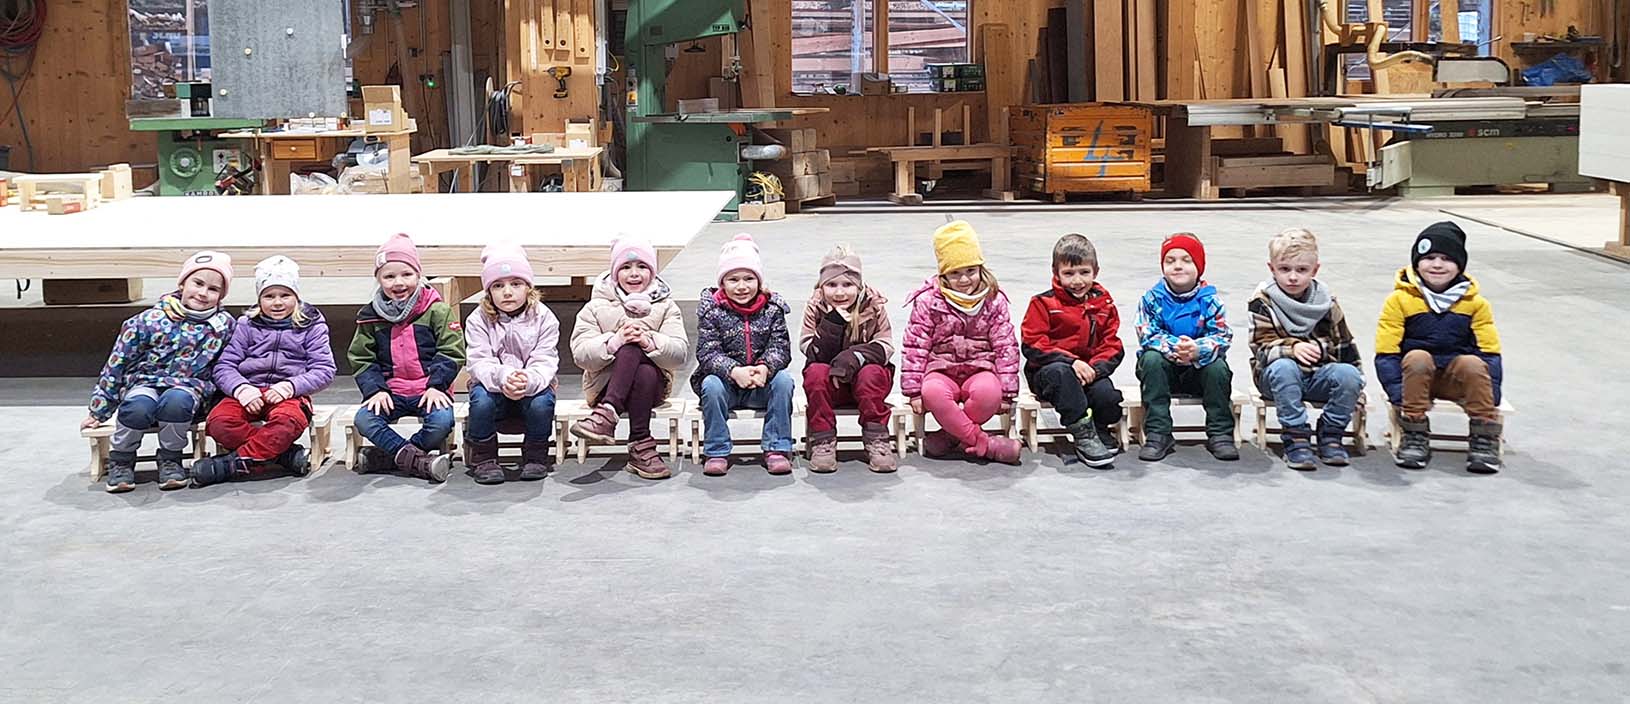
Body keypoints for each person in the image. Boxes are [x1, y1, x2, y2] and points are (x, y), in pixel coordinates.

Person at [82, 251, 236, 493]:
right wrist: (99, 410)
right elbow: (117, 363)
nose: (203, 293)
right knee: (137, 405)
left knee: (177, 401)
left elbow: (230, 364)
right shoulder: (148, 320)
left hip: (188, 390)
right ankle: (122, 459)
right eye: (197, 283)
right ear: (182, 283)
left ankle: (171, 458)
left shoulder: (224, 326)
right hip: (144, 384)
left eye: (213, 289)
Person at [195, 255, 336, 486]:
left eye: (285, 295)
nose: (277, 303)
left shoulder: (311, 325)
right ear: (259, 298)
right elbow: (224, 366)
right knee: (219, 422)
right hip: (247, 391)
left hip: (289, 395)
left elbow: (324, 369)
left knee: (288, 421)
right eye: (269, 296)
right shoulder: (246, 324)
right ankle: (283, 455)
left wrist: (290, 386)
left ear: (296, 297)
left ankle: (233, 464)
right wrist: (241, 388)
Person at [1375, 221, 1504, 473]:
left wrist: (1492, 393)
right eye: (1429, 257)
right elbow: (1386, 351)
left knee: (1472, 363)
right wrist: (1397, 393)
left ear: (1460, 265)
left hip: (1458, 381)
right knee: (1417, 357)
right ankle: (1414, 432)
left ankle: (1483, 435)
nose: (1437, 265)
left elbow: (1490, 352)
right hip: (1413, 380)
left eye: (1447, 258)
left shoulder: (1476, 304)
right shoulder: (1399, 300)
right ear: (1416, 262)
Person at [900, 220, 1023, 465]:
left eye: (970, 271)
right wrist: (913, 391)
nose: (964, 279)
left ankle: (949, 437)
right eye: (955, 273)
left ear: (980, 269)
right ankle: (985, 444)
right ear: (943, 274)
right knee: (932, 392)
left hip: (981, 368)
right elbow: (916, 345)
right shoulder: (928, 301)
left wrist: (1008, 390)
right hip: (940, 369)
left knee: (989, 394)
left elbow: (1006, 346)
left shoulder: (994, 299)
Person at [569, 238, 690, 480]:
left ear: (652, 272)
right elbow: (581, 355)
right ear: (615, 273)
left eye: (642, 266)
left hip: (652, 389)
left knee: (638, 355)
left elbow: (679, 354)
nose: (634, 273)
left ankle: (607, 415)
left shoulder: (666, 307)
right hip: (603, 387)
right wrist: (614, 342)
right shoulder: (595, 307)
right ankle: (641, 445)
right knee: (628, 347)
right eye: (625, 267)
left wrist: (649, 341)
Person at [349, 233, 465, 483]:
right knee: (365, 420)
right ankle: (420, 461)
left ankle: (387, 457)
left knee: (441, 423)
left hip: (428, 389)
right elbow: (362, 357)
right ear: (378, 279)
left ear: (418, 275)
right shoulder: (370, 316)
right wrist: (375, 390)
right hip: (390, 391)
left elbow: (452, 350)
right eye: (389, 276)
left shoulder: (436, 310)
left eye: (406, 274)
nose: (398, 282)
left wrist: (437, 386)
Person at [1246, 228, 1364, 470]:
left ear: (1315, 270)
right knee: (1284, 367)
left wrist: (1356, 384)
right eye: (1284, 269)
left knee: (1349, 375)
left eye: (1301, 270)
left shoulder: (1327, 303)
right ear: (1271, 268)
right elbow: (1261, 348)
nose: (1292, 277)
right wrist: (1293, 348)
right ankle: (1296, 436)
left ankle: (1331, 433)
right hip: (1276, 378)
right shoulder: (1262, 302)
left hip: (1318, 374)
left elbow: (1344, 345)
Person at [692, 234, 797, 477]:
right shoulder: (712, 311)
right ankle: (716, 451)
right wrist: (733, 371)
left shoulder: (772, 310)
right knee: (710, 385)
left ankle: (777, 448)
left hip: (761, 384)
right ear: (722, 283)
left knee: (784, 381)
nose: (742, 286)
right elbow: (707, 352)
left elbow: (780, 346)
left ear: (759, 281)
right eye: (733, 279)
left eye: (749, 279)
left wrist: (765, 368)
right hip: (727, 386)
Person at [1021, 234, 1122, 468]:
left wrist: (1095, 370)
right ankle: (1082, 432)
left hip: (1089, 372)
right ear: (1056, 273)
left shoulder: (1104, 305)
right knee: (1061, 372)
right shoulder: (1042, 303)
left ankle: (1099, 428)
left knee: (1107, 396)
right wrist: (1072, 362)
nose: (1077, 281)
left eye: (1084, 272)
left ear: (1095, 271)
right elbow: (1032, 343)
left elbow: (1112, 345)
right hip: (1049, 374)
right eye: (1068, 273)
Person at [1135, 233, 1237, 462]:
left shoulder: (1211, 301)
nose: (1178, 266)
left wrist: (1197, 349)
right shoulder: (1151, 299)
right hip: (1165, 371)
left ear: (1199, 266)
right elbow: (1146, 332)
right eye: (1170, 261)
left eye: (1186, 260)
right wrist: (1176, 348)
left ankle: (1220, 433)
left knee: (1218, 368)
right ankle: (1158, 433)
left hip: (1198, 371)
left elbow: (1222, 336)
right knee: (1150, 360)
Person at [463, 243, 559, 485]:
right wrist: (504, 376)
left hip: (531, 384)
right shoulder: (477, 319)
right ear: (488, 291)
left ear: (528, 287)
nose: (507, 292)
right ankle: (483, 458)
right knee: (481, 400)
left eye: (516, 284)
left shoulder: (544, 317)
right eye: (498, 285)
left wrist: (528, 380)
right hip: (493, 384)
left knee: (542, 402)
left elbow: (545, 358)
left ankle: (536, 455)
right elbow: (479, 360)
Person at [800, 244, 897, 473]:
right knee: (815, 372)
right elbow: (809, 348)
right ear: (822, 286)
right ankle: (823, 440)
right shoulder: (815, 307)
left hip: (866, 385)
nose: (839, 293)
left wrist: (854, 356)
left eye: (847, 285)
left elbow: (886, 345)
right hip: (831, 386)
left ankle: (877, 439)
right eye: (832, 285)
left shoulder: (873, 306)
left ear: (859, 285)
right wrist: (832, 324)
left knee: (872, 372)